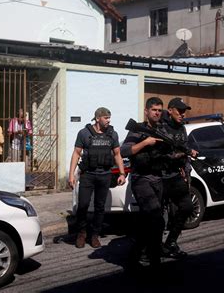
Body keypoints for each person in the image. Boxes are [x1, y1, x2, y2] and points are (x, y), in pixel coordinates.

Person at [68, 107, 126, 249]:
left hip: (105, 174)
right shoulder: (84, 133)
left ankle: (94, 235)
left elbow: (117, 154)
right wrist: (71, 175)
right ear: (98, 118)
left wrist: (122, 173)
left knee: (100, 207)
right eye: (106, 118)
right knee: (83, 205)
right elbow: (76, 153)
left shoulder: (113, 134)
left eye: (109, 117)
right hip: (87, 174)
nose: (108, 120)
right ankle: (81, 233)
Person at [121, 97, 167, 271]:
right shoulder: (137, 130)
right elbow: (125, 150)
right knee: (156, 219)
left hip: (157, 178)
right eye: (154, 110)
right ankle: (154, 260)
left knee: (151, 222)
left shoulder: (162, 130)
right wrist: (145, 142)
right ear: (146, 111)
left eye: (159, 110)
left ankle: (137, 255)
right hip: (141, 179)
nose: (157, 113)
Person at [160, 97, 198, 259]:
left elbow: (185, 147)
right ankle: (155, 247)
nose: (182, 114)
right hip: (161, 177)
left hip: (177, 175)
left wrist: (187, 159)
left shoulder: (182, 128)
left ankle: (171, 242)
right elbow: (164, 155)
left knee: (187, 208)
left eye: (184, 111)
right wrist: (185, 153)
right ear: (170, 110)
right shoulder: (160, 128)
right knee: (159, 216)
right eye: (179, 111)